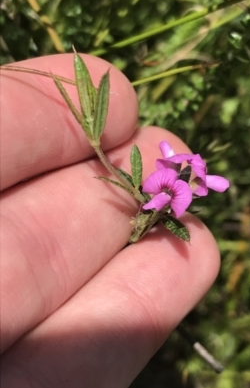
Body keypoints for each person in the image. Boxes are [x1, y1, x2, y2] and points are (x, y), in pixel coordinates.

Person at [0, 54, 220, 387]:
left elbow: (164, 194)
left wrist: (166, 197)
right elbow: (161, 192)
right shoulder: (170, 184)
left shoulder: (172, 187)